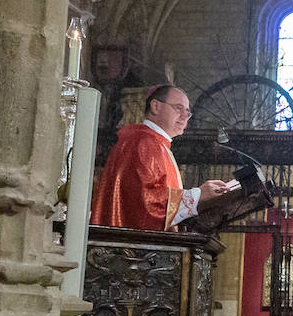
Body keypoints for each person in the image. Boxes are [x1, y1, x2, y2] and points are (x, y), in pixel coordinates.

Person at [89, 84, 231, 231]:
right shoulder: (141, 142)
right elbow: (144, 202)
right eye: (178, 108)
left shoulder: (157, 144)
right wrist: (198, 195)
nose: (184, 116)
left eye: (187, 112)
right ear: (155, 106)